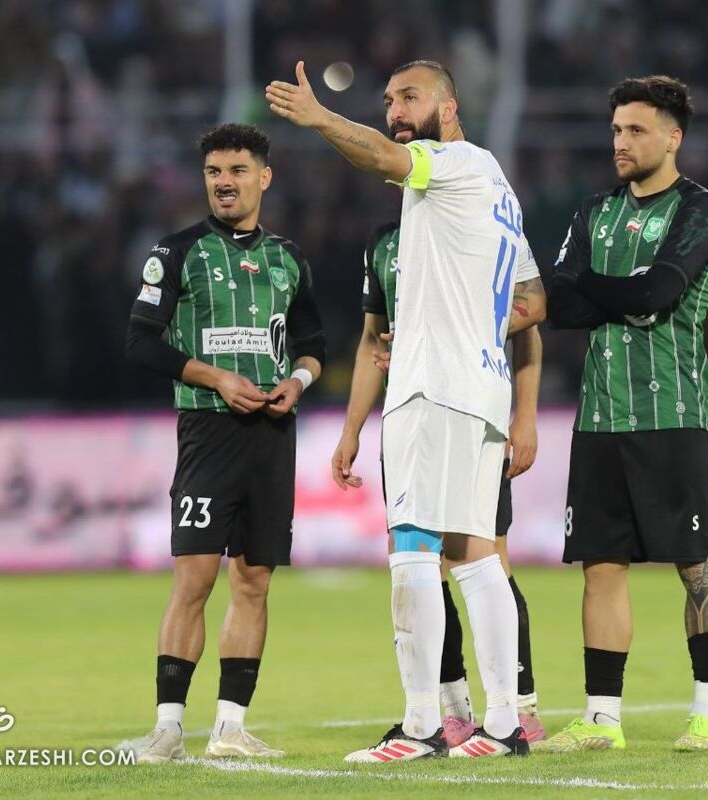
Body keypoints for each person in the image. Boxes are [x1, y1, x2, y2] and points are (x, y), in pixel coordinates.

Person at [267, 60, 546, 760]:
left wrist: (321, 119)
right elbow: (531, 297)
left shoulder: (451, 164)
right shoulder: (496, 185)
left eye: (410, 97)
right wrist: (451, 321)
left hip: (436, 387)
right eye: (388, 99)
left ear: (448, 108)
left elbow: (382, 158)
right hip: (479, 385)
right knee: (475, 554)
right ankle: (504, 724)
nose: (394, 110)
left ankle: (422, 726)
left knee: (414, 549)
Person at [538, 76, 708, 753]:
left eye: (636, 130)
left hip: (672, 412)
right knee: (600, 566)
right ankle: (601, 718)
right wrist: (613, 291)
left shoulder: (699, 210)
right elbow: (561, 306)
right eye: (617, 129)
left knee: (695, 565)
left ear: (673, 137)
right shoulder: (594, 210)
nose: (621, 142)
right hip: (599, 418)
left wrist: (591, 287)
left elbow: (658, 294)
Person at [124, 123, 326, 763]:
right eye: (214, 172)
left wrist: (297, 382)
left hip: (272, 433)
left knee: (255, 580)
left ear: (264, 177)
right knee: (194, 579)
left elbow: (313, 345)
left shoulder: (289, 259)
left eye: (237, 170)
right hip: (208, 432)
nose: (224, 182)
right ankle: (167, 729)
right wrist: (216, 378)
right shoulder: (176, 252)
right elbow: (140, 342)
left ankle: (231, 729)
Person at [331, 218, 546, 747]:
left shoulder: (472, 217)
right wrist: (352, 428)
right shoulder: (383, 241)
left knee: (482, 553)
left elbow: (528, 319)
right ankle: (454, 709)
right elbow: (371, 339)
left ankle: (519, 707)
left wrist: (525, 416)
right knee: (422, 556)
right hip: (409, 411)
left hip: (467, 406)